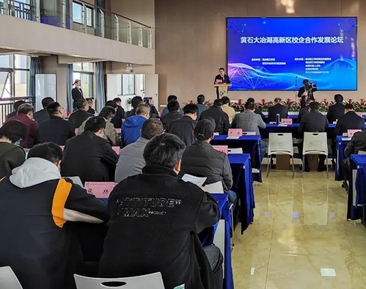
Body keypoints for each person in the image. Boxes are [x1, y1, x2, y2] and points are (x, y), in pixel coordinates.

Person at [99, 134, 223, 289]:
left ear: (146, 159)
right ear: (178, 165)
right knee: (214, 253)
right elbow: (213, 214)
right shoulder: (190, 193)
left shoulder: (121, 189)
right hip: (169, 283)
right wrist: (202, 193)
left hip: (113, 282)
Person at [0, 143, 109, 289]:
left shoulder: (2, 183)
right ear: (58, 163)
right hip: (40, 277)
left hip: (3, 274)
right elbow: (103, 212)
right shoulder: (61, 188)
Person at [180, 119, 234, 196]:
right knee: (234, 196)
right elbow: (229, 183)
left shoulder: (181, 153)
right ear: (212, 136)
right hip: (214, 195)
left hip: (187, 194)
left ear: (193, 133)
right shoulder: (221, 156)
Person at [61, 116, 119, 182]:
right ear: (101, 130)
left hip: (69, 182)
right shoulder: (102, 143)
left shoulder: (70, 141)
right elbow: (117, 161)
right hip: (93, 183)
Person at [115, 118, 164, 183]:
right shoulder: (156, 153)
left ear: (140, 131)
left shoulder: (125, 149)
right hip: (139, 188)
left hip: (119, 187)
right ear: (162, 135)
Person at [298, 101, 329, 172]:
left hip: (308, 142)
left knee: (300, 145)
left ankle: (305, 165)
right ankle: (321, 164)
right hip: (320, 142)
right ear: (319, 108)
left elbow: (300, 130)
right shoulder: (323, 117)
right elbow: (327, 126)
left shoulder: (305, 117)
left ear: (309, 108)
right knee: (325, 144)